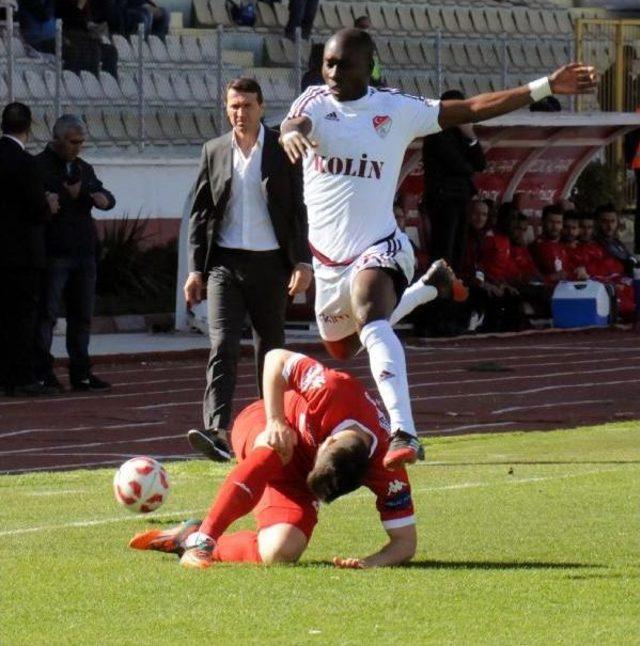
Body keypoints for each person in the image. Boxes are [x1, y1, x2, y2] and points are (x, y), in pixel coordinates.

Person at [278, 27, 597, 468]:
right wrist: (290, 132)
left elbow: (469, 109)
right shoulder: (313, 101)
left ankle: (404, 431)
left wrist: (544, 86)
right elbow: (296, 123)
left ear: (368, 66)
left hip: (380, 246)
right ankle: (428, 288)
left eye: (342, 64)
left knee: (371, 320)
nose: (331, 72)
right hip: (328, 260)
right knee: (342, 348)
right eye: (327, 63)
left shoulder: (395, 109)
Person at [129, 349, 416, 569]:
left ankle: (185, 536)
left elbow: (405, 544)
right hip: (261, 425)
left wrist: (370, 563)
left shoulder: (388, 465)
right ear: (328, 441)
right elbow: (275, 358)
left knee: (281, 551)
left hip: (296, 481)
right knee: (279, 444)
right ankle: (203, 539)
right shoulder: (332, 389)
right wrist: (276, 420)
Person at [184, 78, 313, 463]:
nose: (239, 113)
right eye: (233, 106)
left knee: (270, 349)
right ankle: (217, 430)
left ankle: (270, 426)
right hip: (225, 263)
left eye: (247, 106)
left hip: (271, 263)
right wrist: (196, 270)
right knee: (222, 344)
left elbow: (297, 209)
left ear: (261, 107)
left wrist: (302, 261)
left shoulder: (280, 149)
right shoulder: (214, 150)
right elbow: (201, 212)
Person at [35, 114, 115, 392]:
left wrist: (97, 197)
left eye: (81, 142)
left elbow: (105, 197)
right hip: (55, 252)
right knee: (47, 315)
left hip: (83, 252)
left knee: (82, 316)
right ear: (57, 139)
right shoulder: (39, 167)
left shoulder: (83, 168)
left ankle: (81, 372)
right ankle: (42, 371)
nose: (77, 147)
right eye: (72, 142)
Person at [0, 103, 58, 396]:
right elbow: (37, 209)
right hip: (22, 253)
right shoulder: (26, 163)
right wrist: (49, 205)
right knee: (22, 317)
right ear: (28, 127)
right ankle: (20, 376)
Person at [422, 89, 486, 274]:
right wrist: (469, 162)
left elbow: (480, 164)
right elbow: (462, 166)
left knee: (458, 252)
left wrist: (471, 137)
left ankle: (453, 293)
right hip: (443, 200)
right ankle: (439, 297)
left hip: (461, 199)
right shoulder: (436, 133)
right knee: (444, 253)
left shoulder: (462, 134)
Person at [531, 204, 572, 284]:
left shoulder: (564, 246)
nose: (555, 227)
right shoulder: (536, 247)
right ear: (543, 222)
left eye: (558, 222)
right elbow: (530, 279)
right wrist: (552, 277)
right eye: (551, 222)